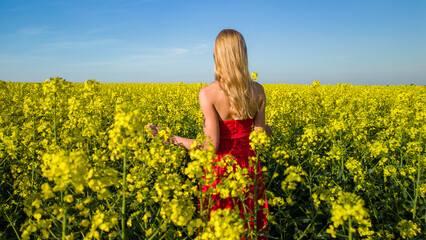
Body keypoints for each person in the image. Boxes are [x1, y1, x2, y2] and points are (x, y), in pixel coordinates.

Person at [147, 29, 271, 239]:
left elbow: (209, 147)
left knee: (220, 228)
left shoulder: (208, 94)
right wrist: (267, 130)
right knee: (248, 222)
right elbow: (260, 138)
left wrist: (171, 138)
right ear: (243, 54)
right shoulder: (258, 91)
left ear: (217, 55)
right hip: (249, 167)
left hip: (221, 170)